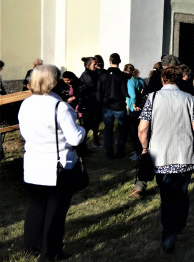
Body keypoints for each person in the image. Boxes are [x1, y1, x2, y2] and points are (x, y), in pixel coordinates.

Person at [18, 65, 85, 261]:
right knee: (55, 212)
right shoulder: (60, 107)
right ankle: (51, 252)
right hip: (57, 166)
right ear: (54, 82)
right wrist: (82, 129)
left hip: (33, 163)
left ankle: (32, 246)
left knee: (36, 206)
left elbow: (23, 132)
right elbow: (75, 138)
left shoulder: (26, 104)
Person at [138, 66, 194, 254]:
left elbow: (142, 128)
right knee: (182, 193)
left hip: (161, 156)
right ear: (179, 80)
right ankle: (179, 225)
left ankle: (169, 237)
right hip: (184, 155)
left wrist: (144, 148)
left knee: (167, 198)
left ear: (163, 79)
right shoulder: (189, 98)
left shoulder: (152, 98)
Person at [97, 53, 129, 159]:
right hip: (119, 106)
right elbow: (124, 91)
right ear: (119, 62)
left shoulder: (103, 75)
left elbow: (99, 91)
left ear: (110, 61)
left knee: (108, 129)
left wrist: (100, 102)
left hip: (107, 106)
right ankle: (120, 152)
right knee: (122, 130)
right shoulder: (122, 76)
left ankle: (109, 153)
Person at [124, 64, 147, 160]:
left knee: (135, 132)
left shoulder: (130, 81)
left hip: (134, 109)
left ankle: (139, 152)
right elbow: (146, 90)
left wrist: (133, 106)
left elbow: (132, 95)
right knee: (142, 130)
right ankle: (141, 150)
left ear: (126, 72)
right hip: (142, 107)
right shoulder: (140, 79)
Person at [79, 57, 102, 149]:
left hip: (95, 103)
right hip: (87, 104)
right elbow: (93, 85)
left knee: (96, 123)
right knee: (86, 125)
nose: (96, 66)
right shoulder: (86, 75)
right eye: (94, 64)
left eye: (97, 64)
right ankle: (82, 145)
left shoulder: (95, 73)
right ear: (87, 65)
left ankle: (95, 141)